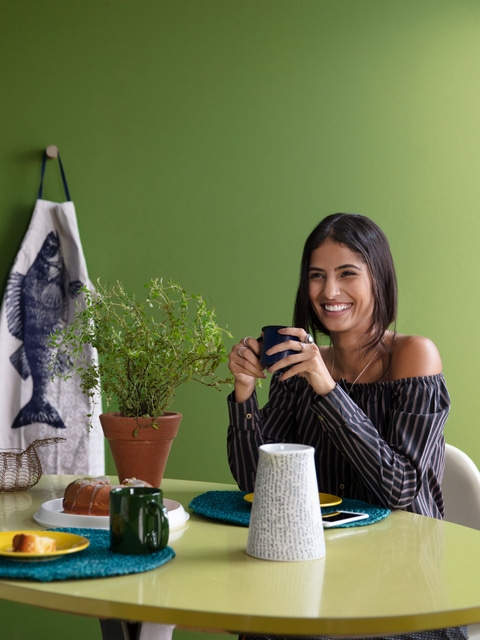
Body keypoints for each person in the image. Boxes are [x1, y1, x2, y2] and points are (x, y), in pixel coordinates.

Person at [226, 213, 467, 640]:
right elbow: (259, 485)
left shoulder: (414, 355)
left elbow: (400, 488)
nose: (329, 291)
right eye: (317, 276)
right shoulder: (300, 364)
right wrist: (245, 394)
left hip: (402, 596)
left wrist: (326, 388)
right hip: (311, 577)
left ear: (379, 279)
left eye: (347, 274)